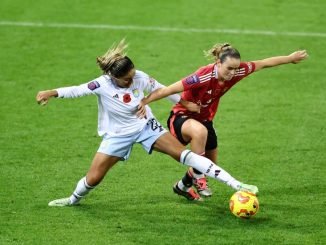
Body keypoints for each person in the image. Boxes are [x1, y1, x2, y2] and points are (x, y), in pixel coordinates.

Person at [36, 40, 258, 207]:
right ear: (113, 77)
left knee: (184, 155)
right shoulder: (101, 84)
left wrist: (184, 103)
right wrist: (52, 92)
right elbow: (77, 90)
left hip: (145, 127)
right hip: (117, 134)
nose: (133, 80)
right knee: (94, 177)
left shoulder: (139, 76)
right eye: (127, 79)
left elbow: (161, 88)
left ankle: (236, 184)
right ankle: (73, 200)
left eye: (133, 75)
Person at [139, 43, 308, 200]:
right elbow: (168, 90)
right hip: (181, 119)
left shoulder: (239, 70)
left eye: (235, 68)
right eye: (229, 68)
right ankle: (199, 178)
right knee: (200, 134)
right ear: (218, 63)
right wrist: (144, 102)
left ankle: (182, 186)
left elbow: (264, 63)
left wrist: (290, 58)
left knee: (210, 164)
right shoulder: (202, 77)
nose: (233, 73)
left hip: (205, 119)